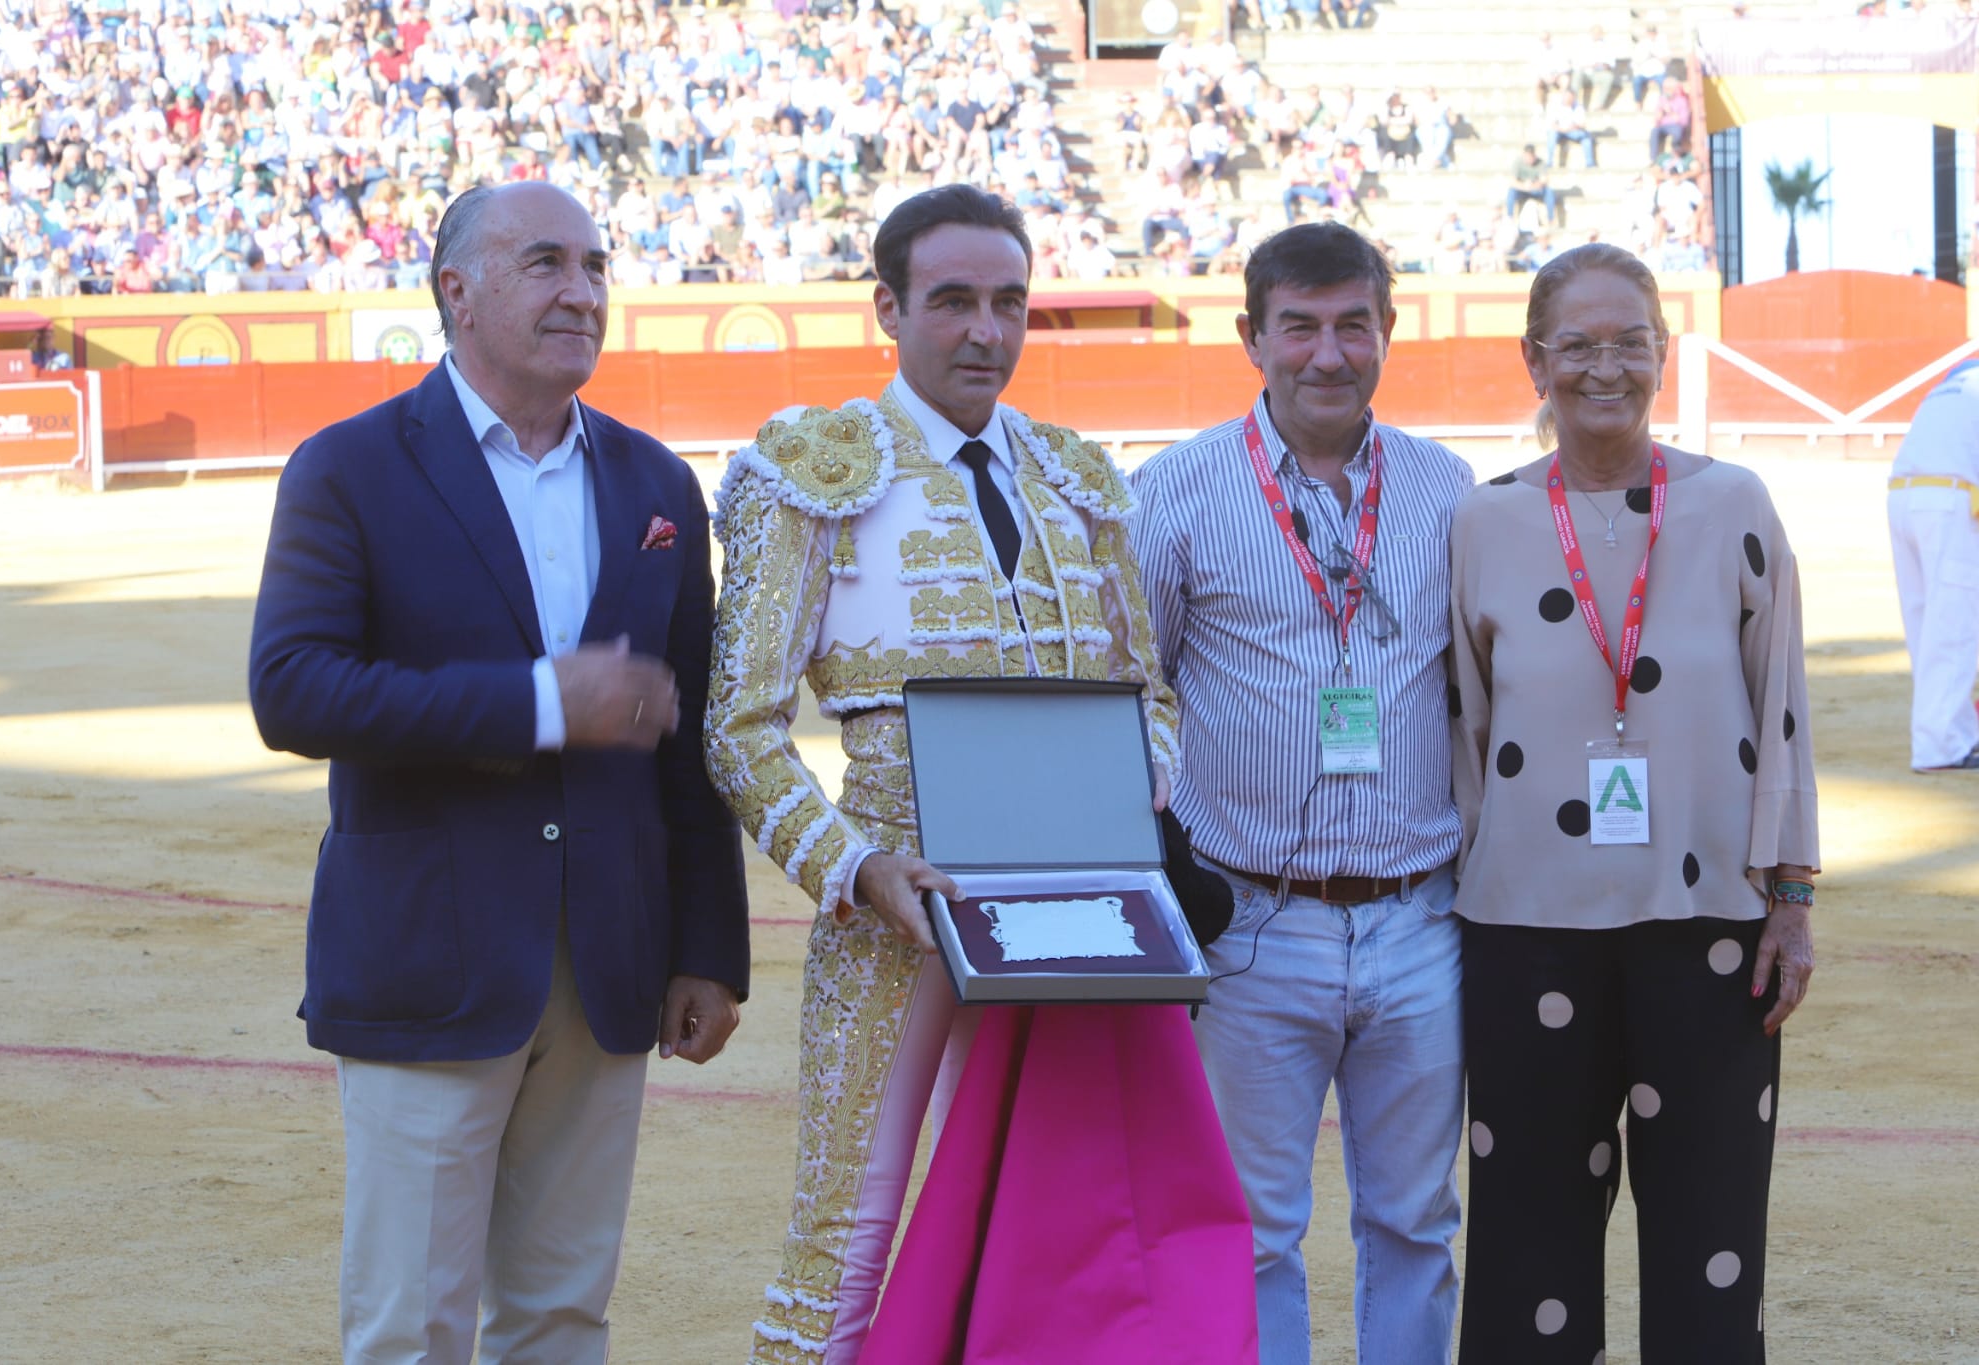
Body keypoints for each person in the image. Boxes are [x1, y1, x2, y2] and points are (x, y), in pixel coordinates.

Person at [706, 184, 1255, 1365]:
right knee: (841, 1243)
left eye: (1007, 303)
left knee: (1041, 1234)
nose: (984, 332)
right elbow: (739, 728)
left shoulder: (1076, 480)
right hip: (893, 912)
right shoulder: (814, 473)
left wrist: (1125, 793)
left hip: (1075, 914)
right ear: (888, 310)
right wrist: (856, 870)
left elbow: (1148, 696)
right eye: (952, 301)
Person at [247, 181, 750, 1363]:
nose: (581, 292)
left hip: (610, 960)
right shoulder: (348, 467)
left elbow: (688, 741)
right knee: (410, 1326)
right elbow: (294, 691)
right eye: (545, 264)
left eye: (594, 265)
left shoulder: (656, 485)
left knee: (563, 1314)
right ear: (456, 292)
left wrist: (707, 949)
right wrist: (539, 702)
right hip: (430, 952)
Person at [1447, 243, 1819, 1363]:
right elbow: (1464, 727)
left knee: (1709, 1232)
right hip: (1523, 929)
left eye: (1629, 343)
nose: (1602, 368)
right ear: (1533, 359)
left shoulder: (1732, 503)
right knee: (1525, 1233)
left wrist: (1791, 897)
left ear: (1661, 353)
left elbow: (1782, 704)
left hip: (1709, 924)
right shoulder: (1484, 520)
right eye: (1577, 345)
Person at [1130, 221, 1473, 1362]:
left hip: (1418, 916)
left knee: (1416, 1220)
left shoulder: (1445, 488)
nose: (1327, 354)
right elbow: (1135, 694)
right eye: (1300, 328)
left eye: (1351, 326)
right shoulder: (1172, 493)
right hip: (1250, 923)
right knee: (1255, 1225)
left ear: (1386, 332)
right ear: (1251, 338)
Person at [1888, 332, 1979, 770]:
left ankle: (1954, 734)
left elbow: (1962, 489)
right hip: (1949, 507)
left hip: (1903, 500)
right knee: (1951, 626)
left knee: (1926, 626)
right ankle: (1942, 748)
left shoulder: (1946, 389)